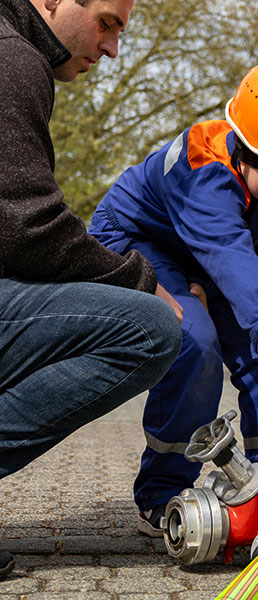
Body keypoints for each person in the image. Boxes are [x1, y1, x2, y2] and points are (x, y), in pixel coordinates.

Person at [87, 58, 258, 536]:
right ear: (243, 149)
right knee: (194, 340)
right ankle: (162, 496)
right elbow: (230, 254)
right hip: (137, 241)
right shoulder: (202, 168)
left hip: (207, 255)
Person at [0, 0, 184, 579]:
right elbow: (28, 228)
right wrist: (141, 281)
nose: (111, 48)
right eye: (107, 23)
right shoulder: (13, 60)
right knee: (148, 328)